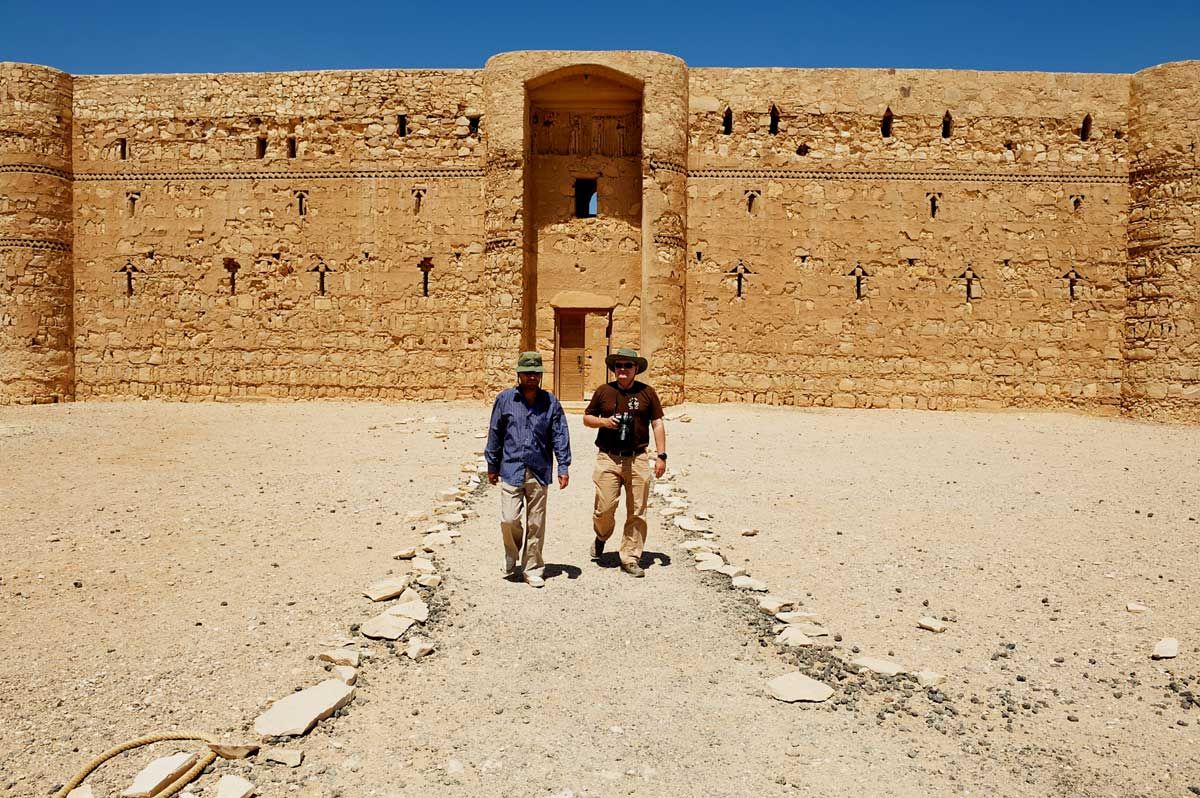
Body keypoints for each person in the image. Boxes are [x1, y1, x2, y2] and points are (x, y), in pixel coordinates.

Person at [484, 351, 571, 588]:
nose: (532, 377)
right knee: (509, 519)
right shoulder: (505, 399)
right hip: (511, 467)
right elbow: (495, 432)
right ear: (519, 374)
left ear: (540, 375)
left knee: (536, 523)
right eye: (527, 373)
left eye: (536, 373)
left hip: (539, 469)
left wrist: (563, 465)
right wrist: (492, 464)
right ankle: (512, 552)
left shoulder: (551, 402)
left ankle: (533, 568)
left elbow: (560, 434)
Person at [582, 347, 667, 578]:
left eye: (627, 366)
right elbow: (586, 418)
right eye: (619, 365)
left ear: (636, 369)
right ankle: (601, 536)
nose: (622, 369)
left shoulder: (647, 392)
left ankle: (630, 557)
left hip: (637, 457)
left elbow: (657, 423)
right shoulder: (604, 391)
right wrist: (605, 422)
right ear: (614, 368)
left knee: (637, 510)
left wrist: (661, 455)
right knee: (605, 508)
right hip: (608, 457)